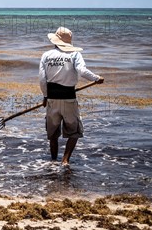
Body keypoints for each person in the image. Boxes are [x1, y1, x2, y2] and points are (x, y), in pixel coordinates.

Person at [39, 27, 104, 166]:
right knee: (74, 132)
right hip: (69, 98)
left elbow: (42, 79)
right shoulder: (74, 54)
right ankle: (65, 160)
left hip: (52, 99)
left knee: (53, 133)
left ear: (55, 41)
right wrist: (96, 78)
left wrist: (45, 96)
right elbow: (82, 71)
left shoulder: (46, 55)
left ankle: (53, 160)